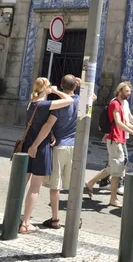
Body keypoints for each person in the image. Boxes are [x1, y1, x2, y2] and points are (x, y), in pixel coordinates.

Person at [18, 77, 74, 234]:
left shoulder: (32, 103)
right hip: (39, 148)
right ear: (46, 88)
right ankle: (26, 223)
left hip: (27, 145)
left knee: (22, 183)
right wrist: (55, 90)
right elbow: (69, 100)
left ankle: (16, 216)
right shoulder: (44, 105)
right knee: (34, 188)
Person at [84, 82, 133, 207]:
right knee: (117, 171)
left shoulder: (122, 104)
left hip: (119, 139)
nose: (129, 93)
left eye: (130, 91)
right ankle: (113, 199)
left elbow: (126, 122)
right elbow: (118, 123)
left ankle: (90, 182)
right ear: (120, 91)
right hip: (115, 139)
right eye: (127, 91)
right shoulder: (115, 104)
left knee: (113, 168)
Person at [42, 74, 82, 229]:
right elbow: (93, 95)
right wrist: (80, 81)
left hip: (59, 147)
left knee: (56, 185)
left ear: (60, 85)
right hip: (74, 148)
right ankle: (74, 218)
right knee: (73, 185)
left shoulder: (59, 104)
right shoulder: (80, 101)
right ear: (75, 86)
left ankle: (55, 219)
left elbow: (48, 125)